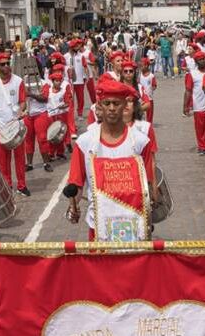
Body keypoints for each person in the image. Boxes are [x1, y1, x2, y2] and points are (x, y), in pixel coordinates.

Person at [64, 79, 154, 241]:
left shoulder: (141, 142)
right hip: (98, 228)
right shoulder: (84, 143)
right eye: (107, 103)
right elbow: (76, 184)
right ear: (99, 106)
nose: (112, 108)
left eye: (116, 103)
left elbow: (148, 185)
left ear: (125, 106)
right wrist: (74, 205)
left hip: (134, 228)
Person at [0, 52, 29, 196]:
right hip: (0, 125)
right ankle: (7, 185)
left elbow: (22, 101)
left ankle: (22, 185)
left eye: (8, 63)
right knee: (3, 160)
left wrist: (21, 111)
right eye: (2, 64)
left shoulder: (18, 81)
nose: (6, 66)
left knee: (20, 158)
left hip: (16, 125)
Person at [184, 51, 205, 155]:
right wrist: (186, 106)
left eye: (204, 59)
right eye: (200, 59)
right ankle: (201, 146)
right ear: (196, 61)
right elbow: (188, 90)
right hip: (198, 104)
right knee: (200, 128)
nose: (202, 61)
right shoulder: (192, 73)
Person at [23, 71, 53, 172]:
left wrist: (30, 94)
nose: (30, 73)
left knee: (42, 139)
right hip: (28, 115)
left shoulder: (44, 83)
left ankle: (46, 163)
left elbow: (44, 98)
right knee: (28, 139)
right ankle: (30, 164)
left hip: (40, 114)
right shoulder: (23, 82)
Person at [46, 72, 74, 160]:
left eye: (59, 81)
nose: (58, 82)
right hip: (51, 115)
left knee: (61, 134)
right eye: (56, 81)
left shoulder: (63, 91)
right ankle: (51, 152)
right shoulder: (48, 91)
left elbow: (68, 102)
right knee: (51, 134)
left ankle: (60, 152)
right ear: (52, 81)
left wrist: (64, 105)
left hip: (62, 114)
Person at [67, 39, 87, 116]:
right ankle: (70, 114)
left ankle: (80, 113)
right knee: (70, 99)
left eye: (78, 46)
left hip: (80, 80)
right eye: (76, 46)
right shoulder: (66, 56)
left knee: (80, 98)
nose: (78, 47)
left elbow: (85, 67)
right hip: (70, 81)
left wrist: (85, 76)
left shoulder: (81, 56)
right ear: (71, 47)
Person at [138, 58, 157, 123]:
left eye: (142, 66)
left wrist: (150, 89)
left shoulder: (151, 76)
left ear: (146, 66)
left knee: (149, 113)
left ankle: (149, 124)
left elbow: (154, 86)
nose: (141, 67)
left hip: (149, 98)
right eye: (140, 66)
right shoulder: (140, 75)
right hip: (141, 98)